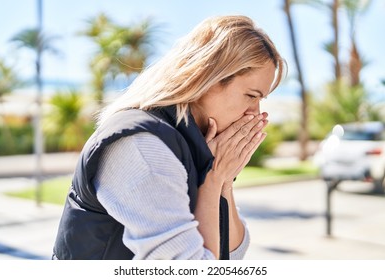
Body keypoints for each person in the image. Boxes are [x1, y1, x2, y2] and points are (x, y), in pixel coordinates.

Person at [52, 15, 286, 260]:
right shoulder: (142, 146)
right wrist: (213, 179)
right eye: (251, 95)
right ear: (207, 78)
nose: (255, 113)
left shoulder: (192, 142)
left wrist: (223, 180)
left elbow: (232, 253)